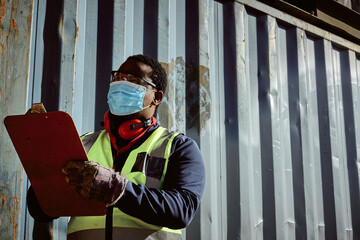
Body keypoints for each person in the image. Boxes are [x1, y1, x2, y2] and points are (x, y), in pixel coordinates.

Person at [27, 54, 206, 240]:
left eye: (133, 80)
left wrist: (116, 190)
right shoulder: (84, 143)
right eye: (118, 77)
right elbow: (41, 210)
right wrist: (47, 159)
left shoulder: (178, 147)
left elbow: (182, 210)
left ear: (157, 97)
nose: (121, 84)